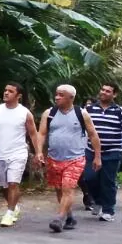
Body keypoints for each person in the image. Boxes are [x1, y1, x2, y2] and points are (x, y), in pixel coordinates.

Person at [39, 84, 101, 233]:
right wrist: (39, 152)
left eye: (61, 95)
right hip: (54, 158)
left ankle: (59, 218)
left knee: (68, 188)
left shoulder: (82, 113)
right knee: (59, 189)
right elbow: (41, 133)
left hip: (75, 158)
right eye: (56, 94)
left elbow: (93, 134)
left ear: (71, 98)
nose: (57, 97)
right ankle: (69, 217)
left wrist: (97, 156)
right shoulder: (49, 113)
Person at [0, 82, 39, 227]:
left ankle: (9, 213)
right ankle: (14, 207)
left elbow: (33, 134)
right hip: (0, 153)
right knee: (3, 186)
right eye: (5, 90)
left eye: (10, 91)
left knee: (13, 183)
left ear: (19, 96)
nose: (6, 93)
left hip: (18, 153)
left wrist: (38, 152)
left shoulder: (25, 113)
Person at [81, 82, 122, 221]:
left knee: (108, 181)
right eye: (103, 90)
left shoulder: (120, 111)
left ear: (114, 94)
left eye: (108, 91)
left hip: (112, 151)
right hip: (91, 151)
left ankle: (108, 210)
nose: (104, 93)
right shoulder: (89, 109)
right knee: (89, 177)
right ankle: (98, 200)